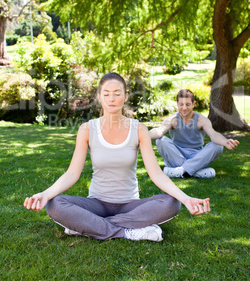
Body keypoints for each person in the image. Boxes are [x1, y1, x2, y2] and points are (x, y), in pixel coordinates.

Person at [24, 74, 210, 242]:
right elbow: (72, 173)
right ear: (99, 97)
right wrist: (45, 194)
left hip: (130, 206)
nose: (111, 99)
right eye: (106, 94)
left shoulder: (139, 129)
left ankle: (88, 226)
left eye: (116, 93)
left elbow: (156, 174)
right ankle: (127, 232)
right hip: (96, 203)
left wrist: (186, 199)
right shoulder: (87, 130)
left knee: (172, 203)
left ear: (125, 96)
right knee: (55, 204)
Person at [150, 89, 239, 179]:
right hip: (177, 155)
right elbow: (159, 131)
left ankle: (179, 171)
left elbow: (213, 135)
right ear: (177, 104)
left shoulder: (202, 120)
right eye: (181, 104)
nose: (184, 108)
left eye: (188, 104)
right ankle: (194, 171)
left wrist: (225, 141)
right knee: (160, 140)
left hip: (196, 156)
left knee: (218, 146)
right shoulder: (173, 119)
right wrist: (143, 135)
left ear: (193, 104)